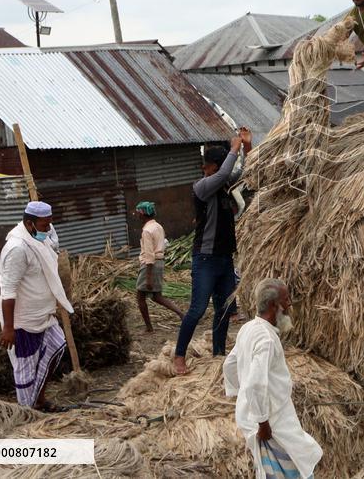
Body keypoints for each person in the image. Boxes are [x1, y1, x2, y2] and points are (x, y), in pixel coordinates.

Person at [224, 279, 322, 479]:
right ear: (273, 306)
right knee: (293, 469)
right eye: (286, 300)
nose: (289, 305)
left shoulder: (248, 328)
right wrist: (263, 423)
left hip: (257, 417)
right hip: (272, 422)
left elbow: (230, 365)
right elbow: (256, 384)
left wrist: (241, 398)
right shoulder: (266, 339)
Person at [174, 128, 252, 376]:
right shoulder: (202, 187)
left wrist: (247, 148)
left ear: (214, 166)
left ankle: (219, 353)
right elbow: (225, 172)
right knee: (197, 309)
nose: (203, 169)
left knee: (224, 308)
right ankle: (179, 356)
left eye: (206, 166)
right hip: (205, 259)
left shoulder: (225, 185)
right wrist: (233, 149)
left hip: (224, 259)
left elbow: (247, 174)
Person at [0, 201, 74, 411]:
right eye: (44, 225)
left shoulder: (39, 238)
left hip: (44, 316)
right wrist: (8, 328)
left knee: (56, 347)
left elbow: (53, 249)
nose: (48, 229)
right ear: (30, 224)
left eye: (50, 224)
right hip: (23, 321)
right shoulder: (17, 249)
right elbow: (8, 290)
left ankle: (39, 399)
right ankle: (27, 412)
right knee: (26, 368)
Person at [134, 201, 184, 333]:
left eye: (138, 213)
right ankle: (182, 315)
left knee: (140, 297)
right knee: (157, 296)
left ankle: (149, 328)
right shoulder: (158, 226)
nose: (137, 216)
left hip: (150, 265)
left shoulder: (147, 231)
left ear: (143, 214)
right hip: (159, 262)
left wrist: (148, 278)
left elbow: (149, 255)